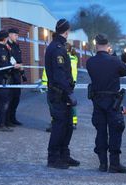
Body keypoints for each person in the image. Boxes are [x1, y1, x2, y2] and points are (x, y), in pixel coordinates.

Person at [86, 33, 126, 173]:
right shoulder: (114, 60)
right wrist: (114, 57)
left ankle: (103, 164)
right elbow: (124, 72)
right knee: (115, 131)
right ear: (108, 45)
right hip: (113, 103)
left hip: (98, 102)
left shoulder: (90, 62)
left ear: (96, 45)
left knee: (100, 132)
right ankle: (115, 164)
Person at [45, 19, 80, 169]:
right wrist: (69, 93)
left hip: (62, 93)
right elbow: (60, 75)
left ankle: (64, 155)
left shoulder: (58, 46)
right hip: (59, 94)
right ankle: (53, 158)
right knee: (59, 126)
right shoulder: (58, 48)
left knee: (68, 125)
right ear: (66, 31)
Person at [0, 30, 20, 132]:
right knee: (3, 102)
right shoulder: (1, 50)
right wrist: (14, 66)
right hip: (3, 79)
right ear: (5, 38)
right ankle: (1, 124)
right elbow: (4, 66)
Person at [6, 28, 26, 126]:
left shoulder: (16, 45)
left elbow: (19, 60)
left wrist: (23, 73)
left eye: (17, 35)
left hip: (17, 75)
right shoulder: (6, 46)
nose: (17, 37)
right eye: (15, 35)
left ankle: (13, 118)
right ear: (10, 35)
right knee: (10, 98)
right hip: (9, 76)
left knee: (16, 98)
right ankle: (7, 119)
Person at [66, 43, 79, 129]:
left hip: (66, 83)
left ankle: (68, 122)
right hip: (72, 83)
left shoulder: (66, 58)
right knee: (71, 102)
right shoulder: (74, 58)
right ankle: (74, 122)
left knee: (66, 102)